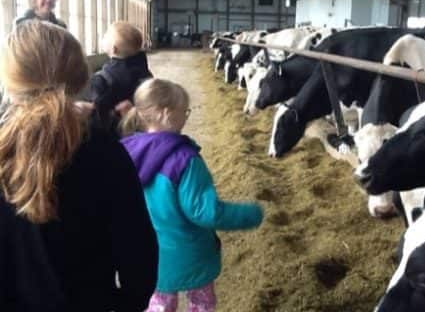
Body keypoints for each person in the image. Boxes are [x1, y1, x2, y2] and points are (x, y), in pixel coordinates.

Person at [0, 21, 158, 312]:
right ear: (79, 78)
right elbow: (139, 254)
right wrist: (127, 304)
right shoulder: (106, 153)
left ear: (10, 86)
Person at [120, 78, 264, 312]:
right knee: (201, 303)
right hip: (190, 254)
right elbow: (205, 212)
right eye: (185, 111)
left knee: (158, 304)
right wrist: (250, 215)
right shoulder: (185, 160)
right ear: (167, 114)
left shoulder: (126, 151)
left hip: (148, 255)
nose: (187, 116)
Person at [89, 21, 153, 137]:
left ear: (114, 49)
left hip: (114, 138)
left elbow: (96, 118)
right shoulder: (145, 74)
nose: (102, 38)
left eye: (105, 36)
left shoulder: (101, 79)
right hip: (141, 133)